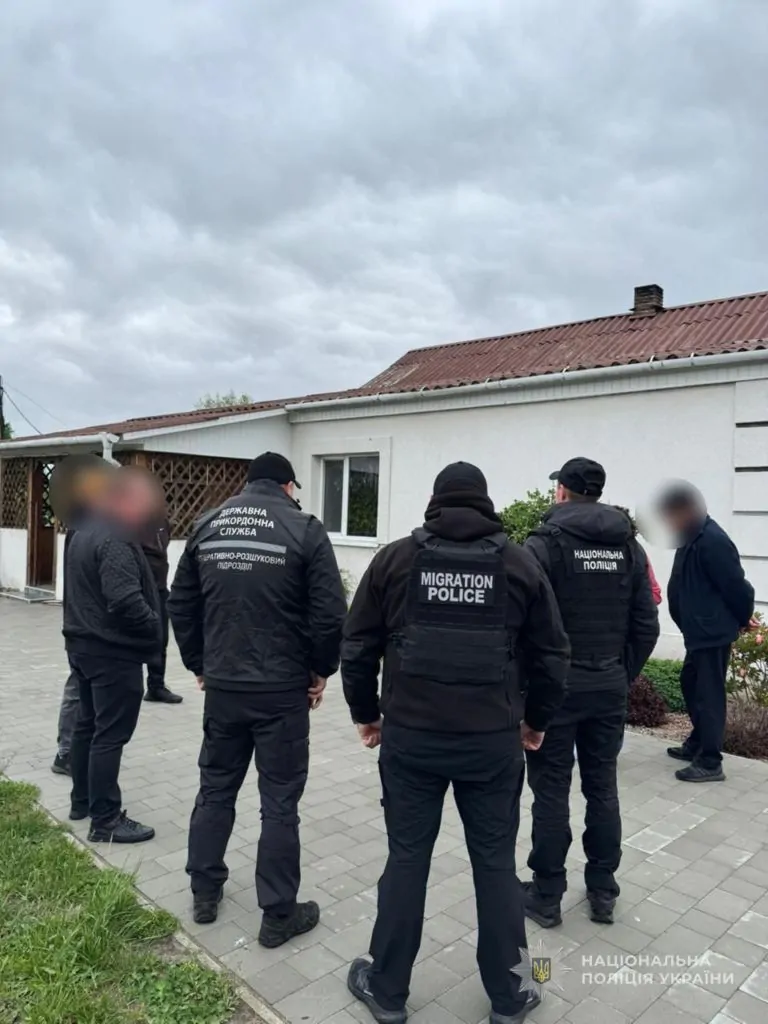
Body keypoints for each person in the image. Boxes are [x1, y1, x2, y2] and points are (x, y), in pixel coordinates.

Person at [341, 462, 570, 1024]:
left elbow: (357, 645)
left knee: (407, 859)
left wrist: (366, 714)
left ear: (435, 501)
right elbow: (552, 655)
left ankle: (387, 991)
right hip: (490, 744)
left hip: (411, 741)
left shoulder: (395, 560)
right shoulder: (519, 563)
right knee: (494, 865)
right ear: (485, 503)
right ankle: (512, 995)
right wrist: (536, 722)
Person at [168, 451, 347, 944]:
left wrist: (200, 663)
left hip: (224, 687)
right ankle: (278, 914)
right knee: (280, 802)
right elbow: (330, 614)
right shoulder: (304, 529)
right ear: (289, 486)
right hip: (281, 690)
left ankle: (205, 892)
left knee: (215, 788)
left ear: (248, 485)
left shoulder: (207, 525)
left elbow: (180, 602)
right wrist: (320, 670)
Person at [522, 458, 659, 928]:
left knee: (550, 791)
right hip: (607, 687)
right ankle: (602, 890)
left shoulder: (543, 545)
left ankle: (546, 894)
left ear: (562, 492)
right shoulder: (629, 547)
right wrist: (621, 674)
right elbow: (646, 624)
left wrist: (529, 686)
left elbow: (520, 623)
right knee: (602, 787)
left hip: (555, 690)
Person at [66, 468, 163, 844]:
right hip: (112, 652)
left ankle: (82, 801)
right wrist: (154, 625)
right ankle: (105, 820)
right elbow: (123, 598)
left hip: (83, 646)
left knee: (87, 725)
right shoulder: (115, 535)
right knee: (109, 734)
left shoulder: (83, 528)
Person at [658, 482, 755, 782]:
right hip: (698, 630)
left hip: (712, 631)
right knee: (690, 682)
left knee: (708, 694)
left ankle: (711, 761)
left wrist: (743, 616)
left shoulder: (713, 540)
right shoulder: (691, 537)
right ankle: (698, 742)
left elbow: (735, 586)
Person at [141, 507, 183, 705]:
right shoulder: (130, 523)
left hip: (159, 588)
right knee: (132, 638)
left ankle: (155, 686)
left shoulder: (162, 523)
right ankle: (125, 686)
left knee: (160, 639)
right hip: (138, 588)